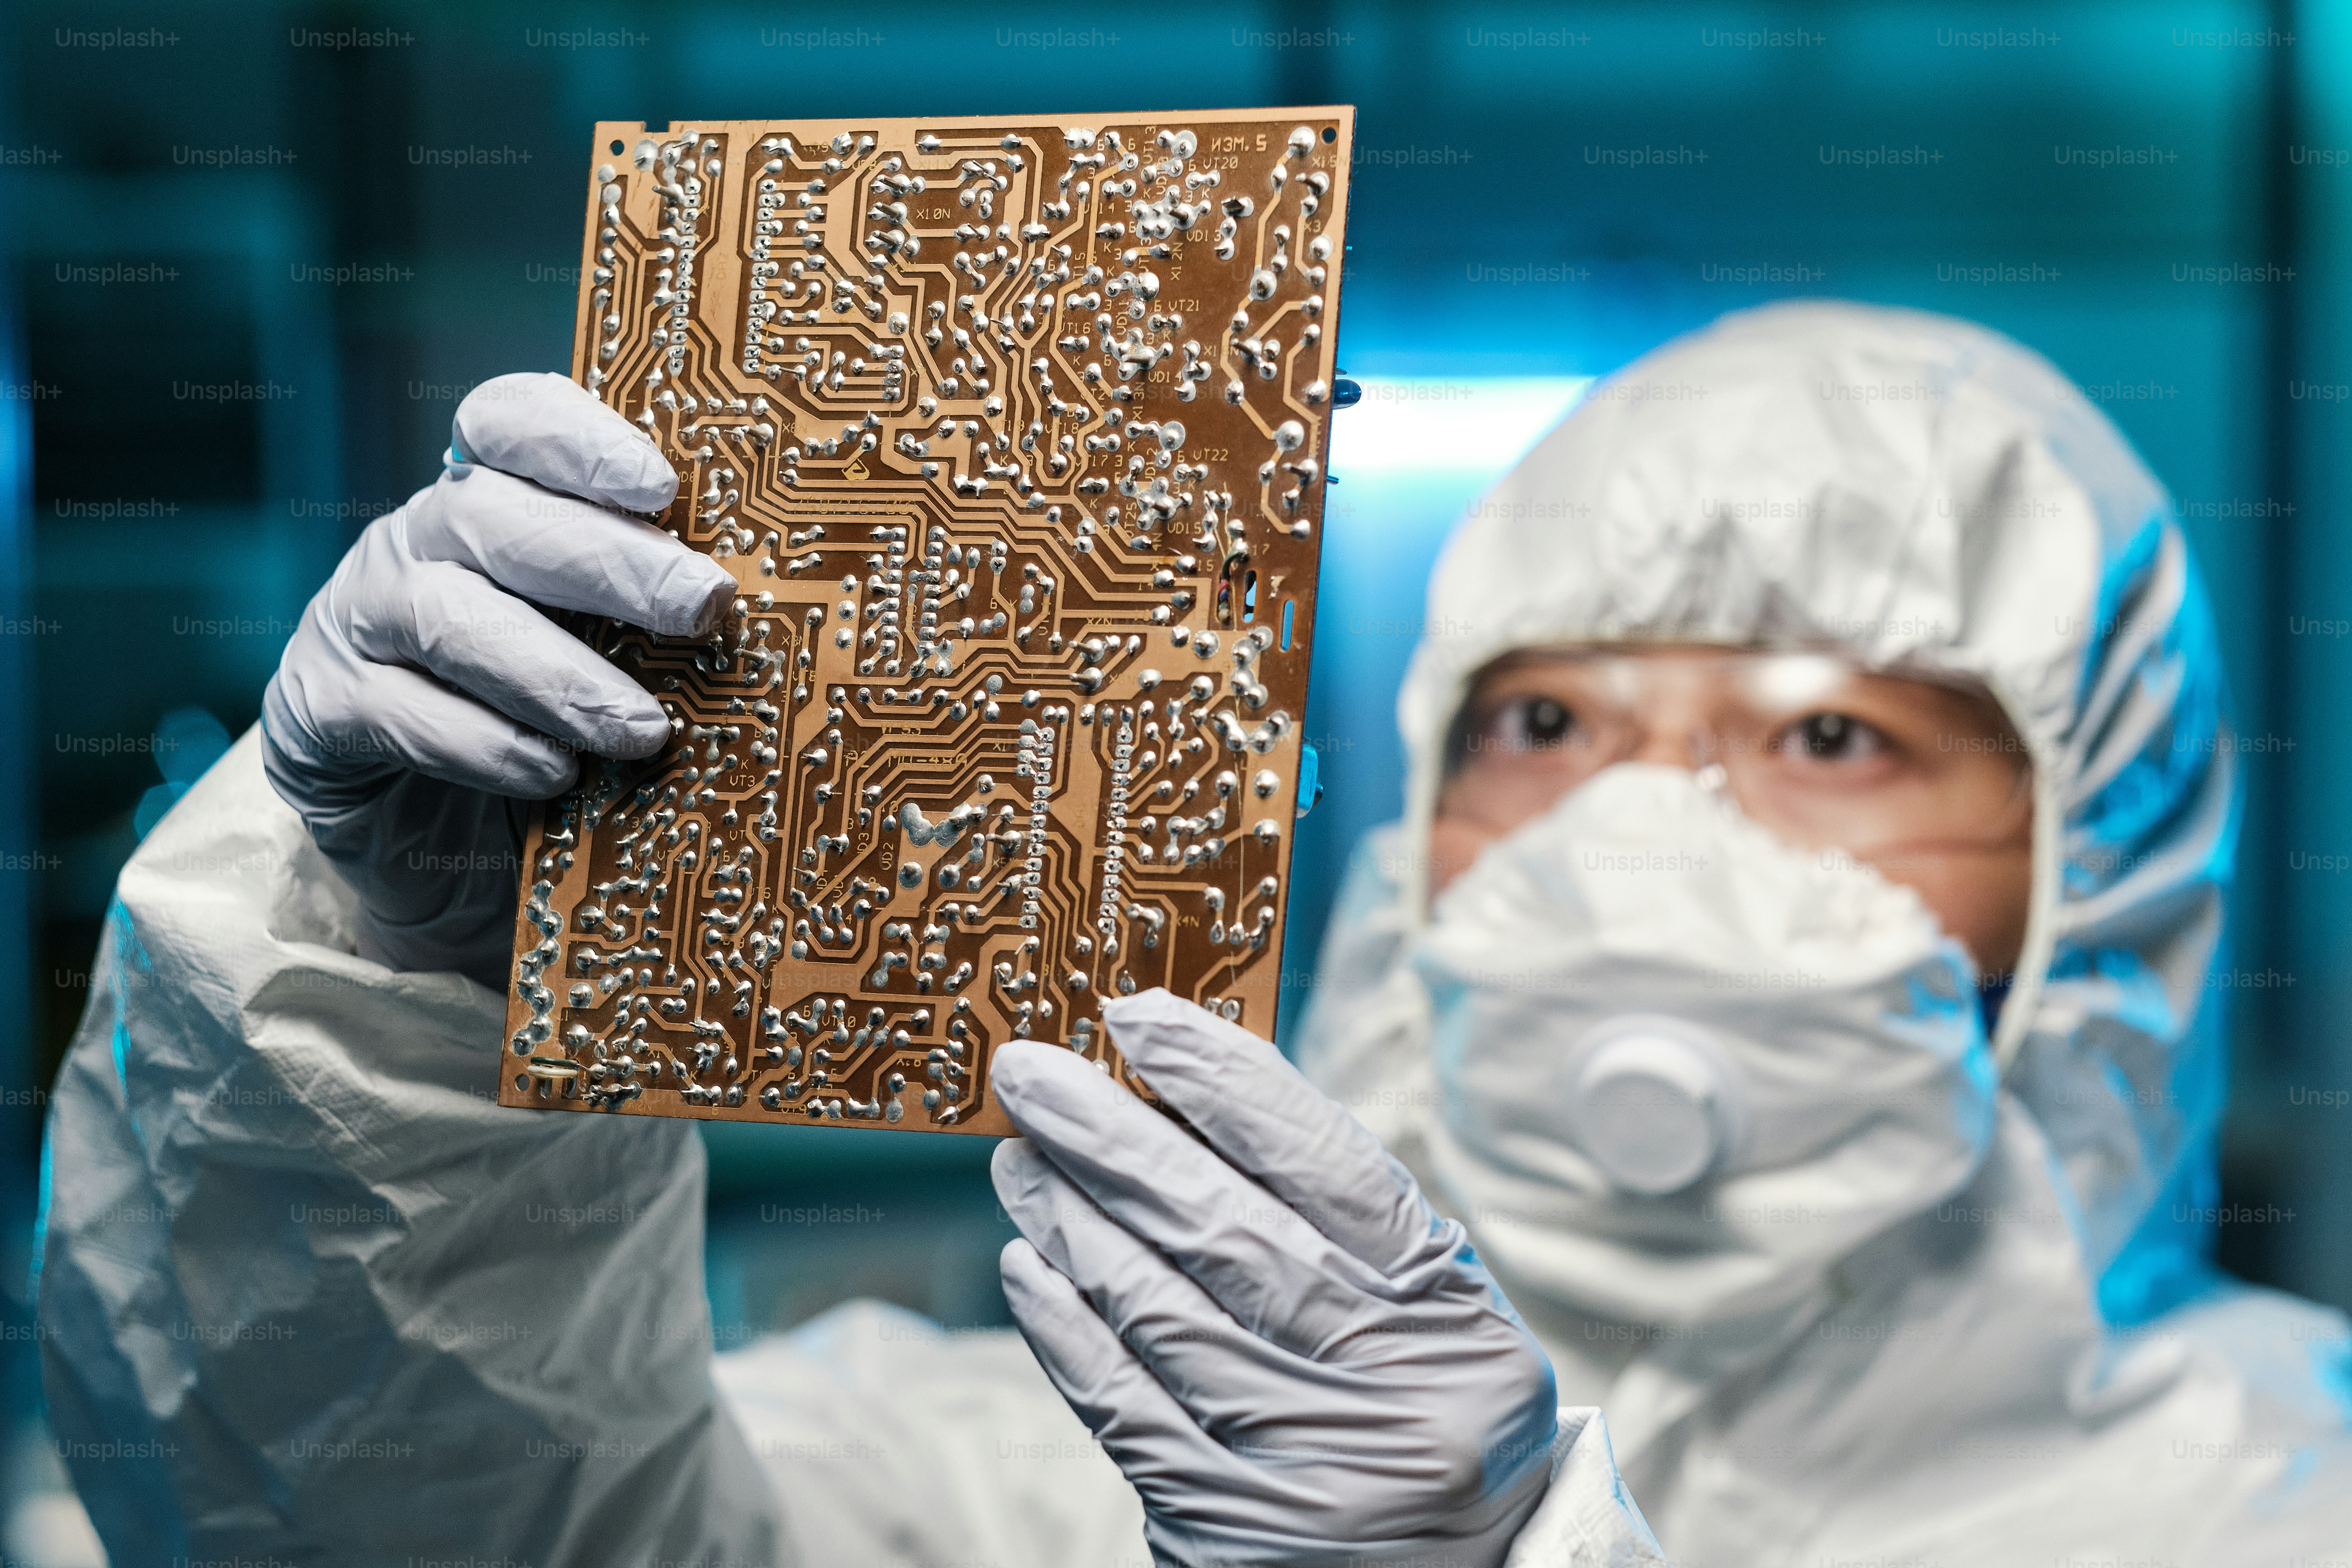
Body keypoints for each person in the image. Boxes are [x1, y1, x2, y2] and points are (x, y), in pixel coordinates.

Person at [31, 300, 2350, 1565]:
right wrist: (389, 1000)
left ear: (2108, 865)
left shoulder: (2283, 1511)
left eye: (1835, 738)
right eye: (1543, 720)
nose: (1644, 833)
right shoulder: (1031, 1468)